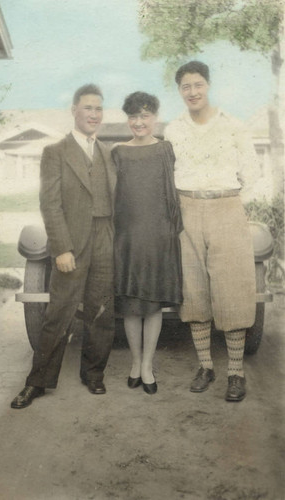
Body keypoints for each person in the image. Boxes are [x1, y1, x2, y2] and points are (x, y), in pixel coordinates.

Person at [11, 84, 116, 409]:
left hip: (104, 238)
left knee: (101, 312)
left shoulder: (108, 153)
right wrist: (61, 248)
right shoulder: (55, 152)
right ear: (74, 110)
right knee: (58, 313)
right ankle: (37, 382)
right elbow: (50, 204)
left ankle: (93, 374)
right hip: (72, 241)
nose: (94, 115)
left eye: (98, 109)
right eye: (88, 108)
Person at [165, 61, 259, 402]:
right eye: (185, 86)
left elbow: (251, 171)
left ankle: (236, 373)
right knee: (194, 291)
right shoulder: (174, 129)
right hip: (187, 209)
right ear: (180, 91)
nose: (192, 92)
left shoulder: (233, 125)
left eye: (198, 84)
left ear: (208, 85)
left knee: (232, 289)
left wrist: (232, 202)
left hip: (226, 207)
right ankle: (206, 366)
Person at [112, 91, 183, 395]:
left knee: (152, 304)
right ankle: (134, 362)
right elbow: (113, 197)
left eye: (144, 115)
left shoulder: (165, 150)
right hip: (127, 237)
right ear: (127, 119)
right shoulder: (117, 152)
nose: (139, 122)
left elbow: (172, 194)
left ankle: (147, 365)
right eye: (133, 116)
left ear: (154, 117)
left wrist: (171, 231)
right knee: (131, 305)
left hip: (157, 236)